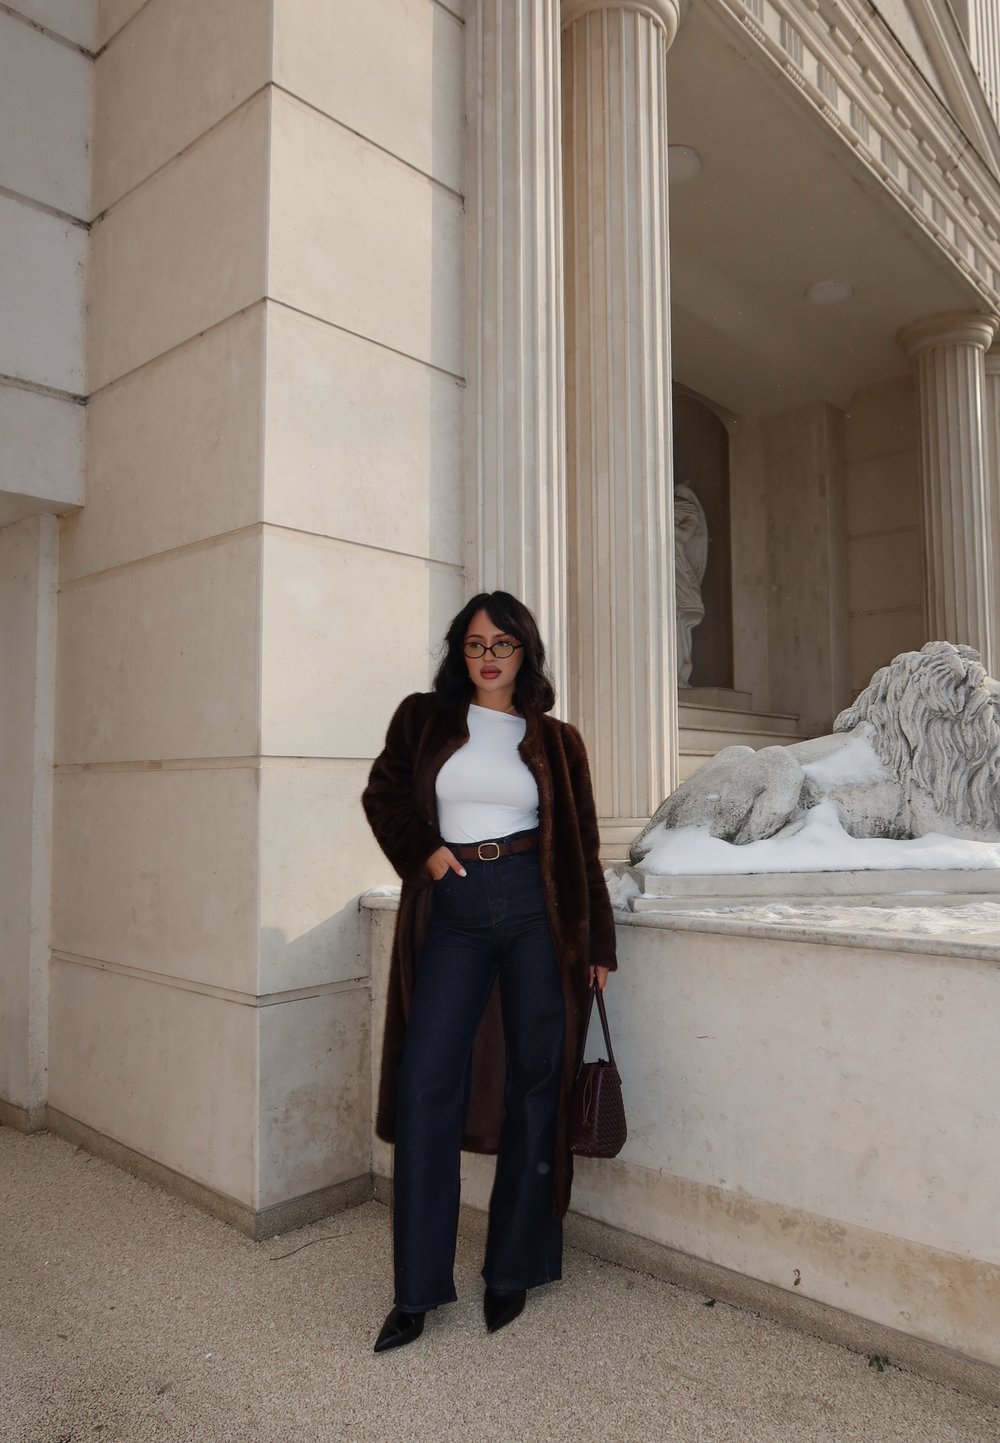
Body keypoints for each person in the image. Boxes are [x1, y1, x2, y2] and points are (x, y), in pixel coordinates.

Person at [362, 591, 617, 1352]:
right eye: (475, 644)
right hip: (457, 907)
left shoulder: (558, 741)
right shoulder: (424, 719)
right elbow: (384, 794)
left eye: (502, 643)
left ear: (524, 651)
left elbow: (583, 847)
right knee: (425, 1081)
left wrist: (598, 944)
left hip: (538, 909)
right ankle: (416, 1290)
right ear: (459, 653)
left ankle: (514, 1265)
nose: (489, 657)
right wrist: (427, 855)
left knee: (537, 1078)